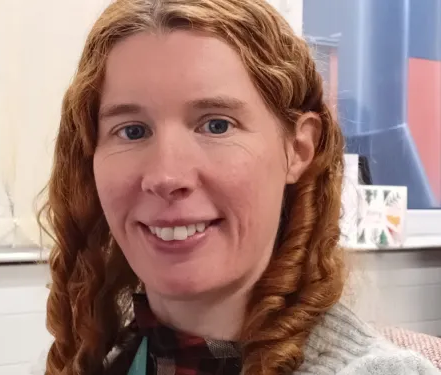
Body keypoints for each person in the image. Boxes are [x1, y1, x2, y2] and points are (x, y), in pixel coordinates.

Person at [38, 0, 440, 374]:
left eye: (216, 124)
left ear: (299, 148)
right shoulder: (103, 359)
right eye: (132, 130)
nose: (166, 177)